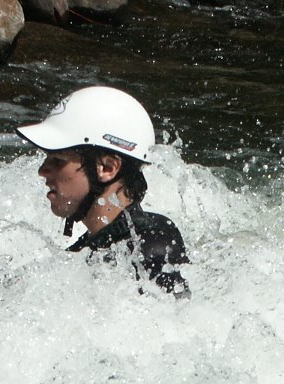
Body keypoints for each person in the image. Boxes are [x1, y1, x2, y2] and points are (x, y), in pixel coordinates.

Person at [16, 86, 190, 298]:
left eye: (58, 160)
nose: (42, 171)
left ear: (107, 168)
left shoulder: (155, 246)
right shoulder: (82, 254)